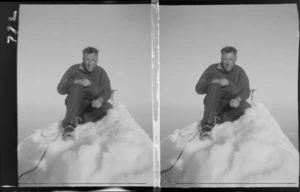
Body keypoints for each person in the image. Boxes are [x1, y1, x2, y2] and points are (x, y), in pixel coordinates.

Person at [57, 47, 112, 140]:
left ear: (97, 60)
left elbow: (107, 91)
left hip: (91, 106)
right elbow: (60, 89)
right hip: (75, 104)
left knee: (108, 107)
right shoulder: (73, 69)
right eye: (87, 59)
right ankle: (69, 125)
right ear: (83, 59)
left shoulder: (101, 72)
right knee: (77, 86)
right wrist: (77, 81)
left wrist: (100, 99)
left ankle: (80, 119)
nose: (89, 63)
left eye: (93, 60)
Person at [195, 46, 251, 138]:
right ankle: (207, 124)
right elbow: (198, 88)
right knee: (214, 86)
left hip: (231, 106)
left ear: (236, 59)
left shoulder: (240, 72)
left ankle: (219, 120)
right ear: (221, 58)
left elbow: (246, 91)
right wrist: (213, 81)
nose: (228, 63)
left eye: (231, 59)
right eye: (225, 59)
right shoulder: (212, 69)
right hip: (214, 105)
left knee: (246, 107)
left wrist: (238, 99)